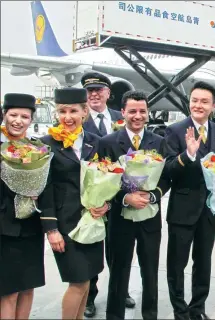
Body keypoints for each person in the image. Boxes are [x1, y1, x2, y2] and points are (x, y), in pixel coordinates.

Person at [100, 90, 171, 320]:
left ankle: (150, 315)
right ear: (123, 113)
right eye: (132, 111)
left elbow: (166, 178)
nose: (138, 116)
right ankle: (114, 315)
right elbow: (102, 179)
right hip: (120, 218)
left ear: (148, 113)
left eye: (142, 111)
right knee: (119, 270)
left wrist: (152, 196)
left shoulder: (159, 142)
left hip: (150, 217)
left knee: (150, 270)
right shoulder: (108, 142)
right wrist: (125, 197)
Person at [40, 87, 107, 319]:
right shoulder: (46, 144)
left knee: (87, 281)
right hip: (66, 225)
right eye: (62, 111)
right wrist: (51, 229)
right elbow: (43, 189)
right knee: (77, 282)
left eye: (73, 111)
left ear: (84, 112)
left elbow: (106, 177)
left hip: (92, 222)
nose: (67, 117)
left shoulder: (95, 142)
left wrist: (105, 204)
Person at [164, 81, 215, 320]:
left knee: (203, 262)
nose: (198, 105)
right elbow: (169, 170)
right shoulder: (175, 130)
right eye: (194, 100)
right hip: (183, 208)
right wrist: (188, 154)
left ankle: (197, 308)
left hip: (210, 209)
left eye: (204, 102)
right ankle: (180, 310)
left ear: (214, 106)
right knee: (177, 264)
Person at [80, 72, 134, 317]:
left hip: (119, 195)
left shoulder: (118, 117)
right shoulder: (78, 120)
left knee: (118, 249)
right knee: (91, 247)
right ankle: (89, 296)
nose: (94, 94)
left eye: (99, 90)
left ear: (108, 94)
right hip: (91, 197)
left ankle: (120, 291)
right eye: (89, 90)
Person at [0, 94, 52, 319]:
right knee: (8, 291)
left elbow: (48, 186)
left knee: (28, 286)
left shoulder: (38, 148)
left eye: (24, 116)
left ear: (31, 120)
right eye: (13, 115)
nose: (18, 120)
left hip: (31, 227)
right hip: (4, 228)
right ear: (4, 115)